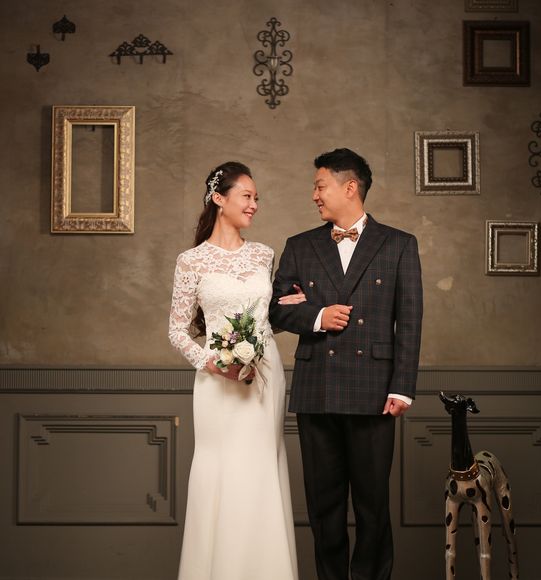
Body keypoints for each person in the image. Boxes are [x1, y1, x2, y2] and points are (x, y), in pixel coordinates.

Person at [269, 148, 423, 580]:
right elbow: (276, 310)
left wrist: (402, 386)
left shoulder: (399, 244)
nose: (314, 195)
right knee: (324, 508)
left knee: (372, 507)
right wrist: (318, 315)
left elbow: (410, 319)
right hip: (316, 390)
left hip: (375, 392)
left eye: (320, 186)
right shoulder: (300, 245)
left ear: (349, 187)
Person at [168, 161, 300, 580]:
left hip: (264, 375)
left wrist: (289, 308)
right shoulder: (191, 261)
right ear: (218, 199)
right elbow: (176, 330)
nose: (254, 204)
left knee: (260, 469)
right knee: (221, 470)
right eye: (246, 196)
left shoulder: (263, 254)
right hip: (217, 382)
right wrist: (211, 363)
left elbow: (264, 318)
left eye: (257, 198)